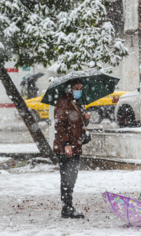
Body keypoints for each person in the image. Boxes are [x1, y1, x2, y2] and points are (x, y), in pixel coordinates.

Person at [53, 78, 91, 219]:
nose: (78, 91)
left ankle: (68, 206)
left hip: (75, 146)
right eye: (76, 88)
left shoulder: (76, 103)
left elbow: (77, 124)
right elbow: (60, 126)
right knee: (67, 177)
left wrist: (86, 119)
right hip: (66, 148)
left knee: (72, 177)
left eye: (80, 88)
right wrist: (66, 144)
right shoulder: (63, 103)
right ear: (69, 89)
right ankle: (67, 208)